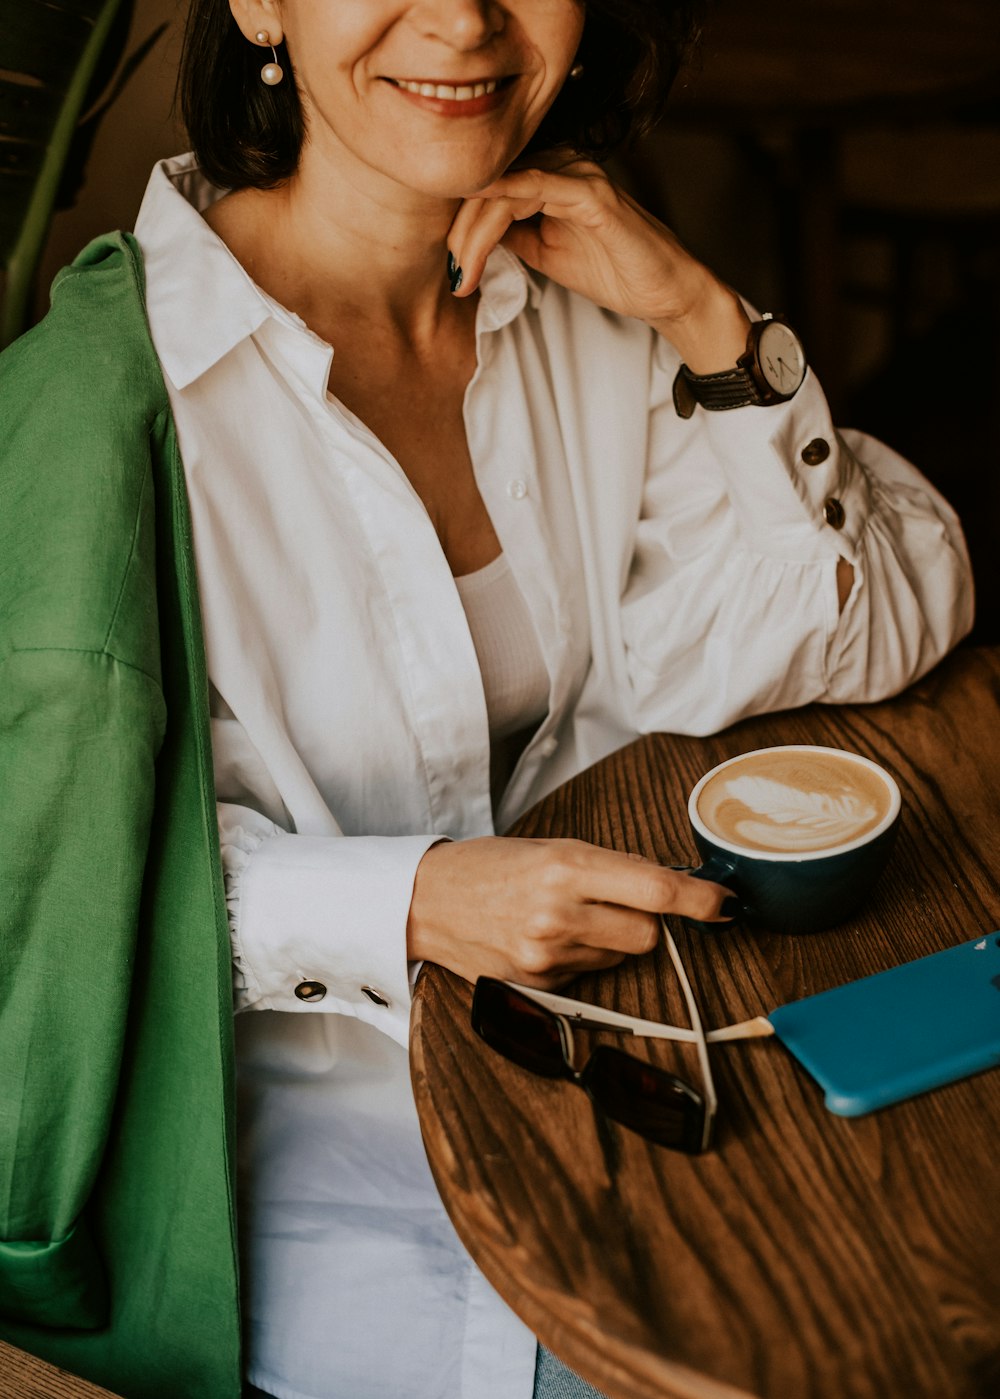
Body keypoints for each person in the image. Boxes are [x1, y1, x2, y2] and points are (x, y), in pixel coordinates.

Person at [0, 0, 972, 1396]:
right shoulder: (97, 404)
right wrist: (410, 902)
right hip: (291, 1176)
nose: (460, 18)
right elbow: (40, 900)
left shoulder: (592, 318)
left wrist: (708, 323)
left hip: (639, 1104)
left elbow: (870, 629)